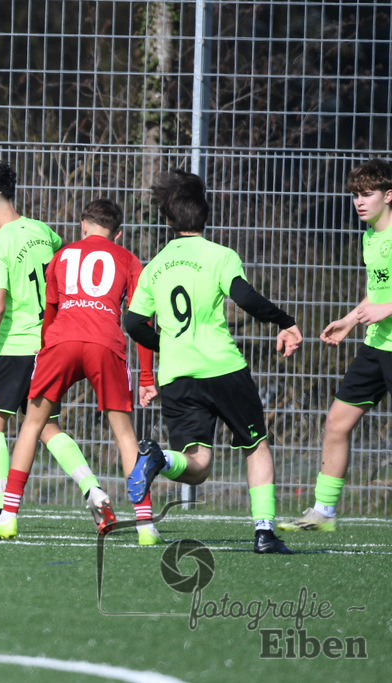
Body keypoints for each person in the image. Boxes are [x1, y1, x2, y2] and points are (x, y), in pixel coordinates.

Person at [123, 169, 302, 555]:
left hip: (176, 375)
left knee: (198, 465)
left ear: (168, 220)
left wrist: (166, 345)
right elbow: (247, 299)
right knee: (255, 445)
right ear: (205, 214)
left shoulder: (155, 265)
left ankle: (159, 457)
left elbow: (133, 322)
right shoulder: (220, 256)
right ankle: (264, 532)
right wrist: (285, 322)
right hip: (222, 368)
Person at [0, 199, 162, 543]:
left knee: (32, 425)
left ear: (82, 225)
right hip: (105, 345)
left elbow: (50, 310)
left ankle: (8, 517)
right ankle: (145, 526)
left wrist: (47, 348)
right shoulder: (128, 259)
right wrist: (146, 378)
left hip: (60, 343)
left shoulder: (62, 255)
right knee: (124, 434)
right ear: (119, 233)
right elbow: (141, 321)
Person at [0, 161, 90, 534]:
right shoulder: (43, 232)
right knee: (46, 427)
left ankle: (0, 510)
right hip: (48, 345)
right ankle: (93, 488)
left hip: (15, 346)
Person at [278, 159, 392, 533]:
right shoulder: (370, 237)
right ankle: (323, 512)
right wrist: (349, 321)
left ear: (388, 195)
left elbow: (385, 301)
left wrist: (386, 307)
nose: (359, 202)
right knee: (337, 423)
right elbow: (376, 293)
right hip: (376, 347)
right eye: (355, 195)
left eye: (367, 194)